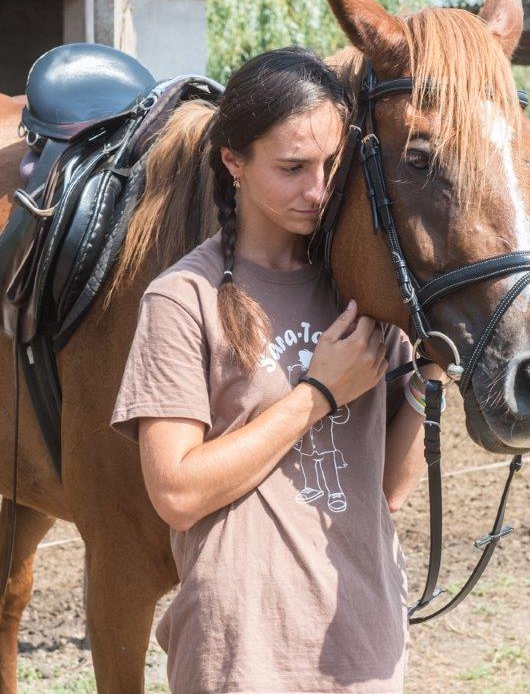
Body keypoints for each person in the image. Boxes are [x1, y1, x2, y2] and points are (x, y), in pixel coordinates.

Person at [111, 46, 441, 692]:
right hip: (241, 657)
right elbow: (176, 493)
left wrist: (430, 379)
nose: (317, 192)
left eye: (329, 165)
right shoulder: (184, 300)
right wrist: (316, 394)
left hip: (364, 645)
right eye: (292, 168)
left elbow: (388, 491)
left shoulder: (359, 288)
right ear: (233, 161)